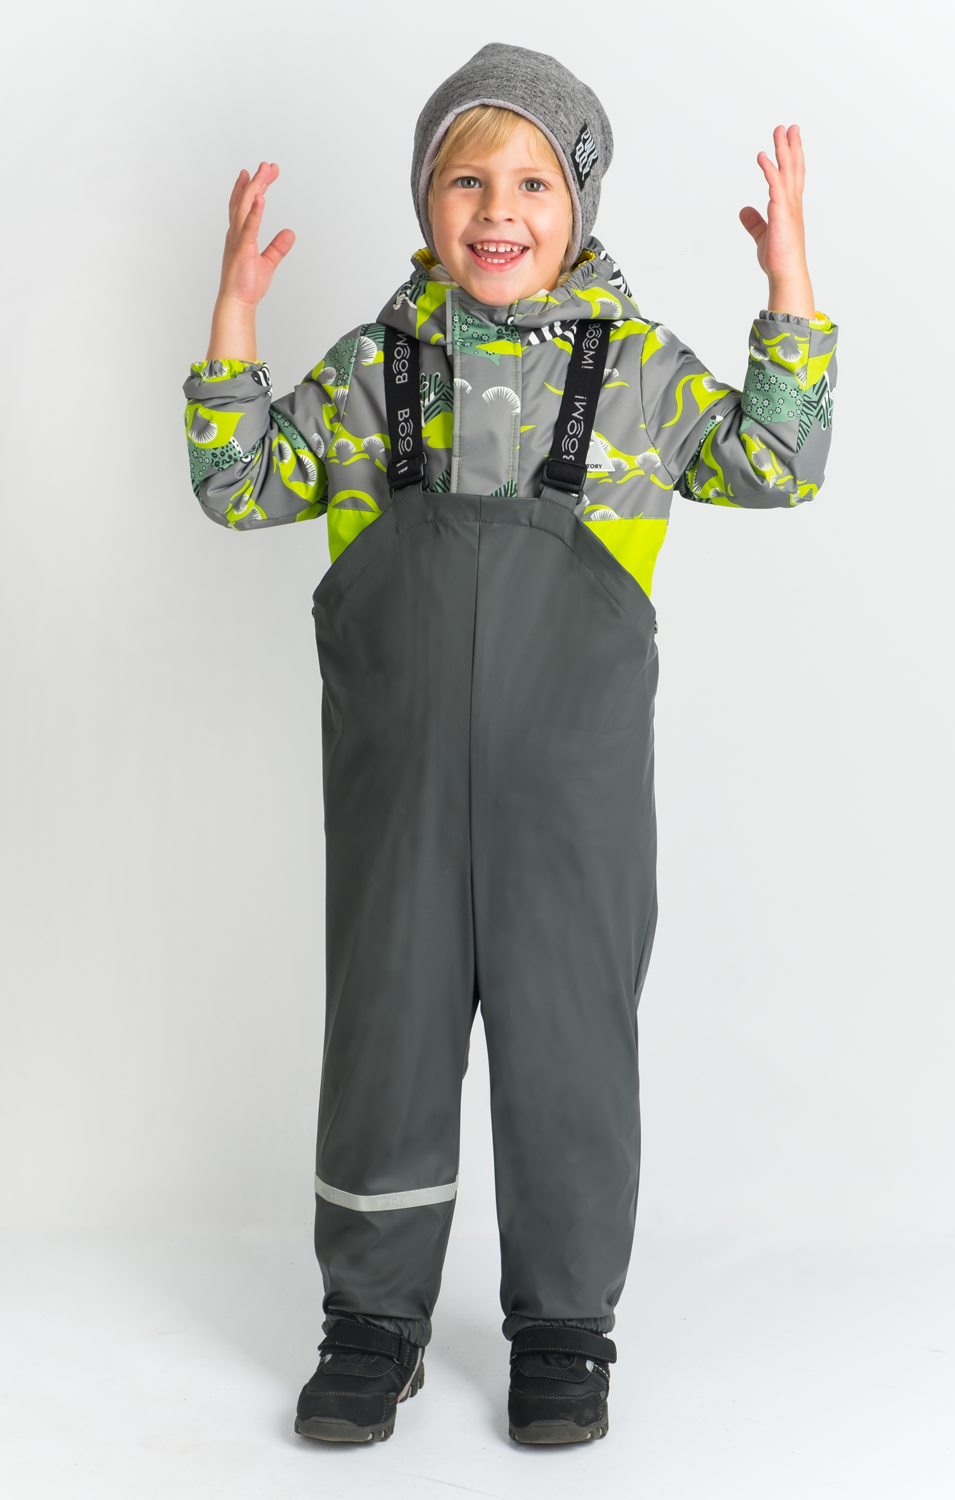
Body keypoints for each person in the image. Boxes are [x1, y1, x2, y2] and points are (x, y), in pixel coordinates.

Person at [183, 42, 837, 1447]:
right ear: (427, 204)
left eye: (534, 182)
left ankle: (564, 1329)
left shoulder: (639, 374)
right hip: (398, 808)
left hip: (572, 812)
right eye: (466, 180)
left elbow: (778, 467)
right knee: (385, 1048)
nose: (499, 209)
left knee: (570, 1056)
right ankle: (372, 1322)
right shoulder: (375, 372)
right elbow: (237, 486)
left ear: (579, 206)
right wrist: (234, 320)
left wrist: (788, 293)